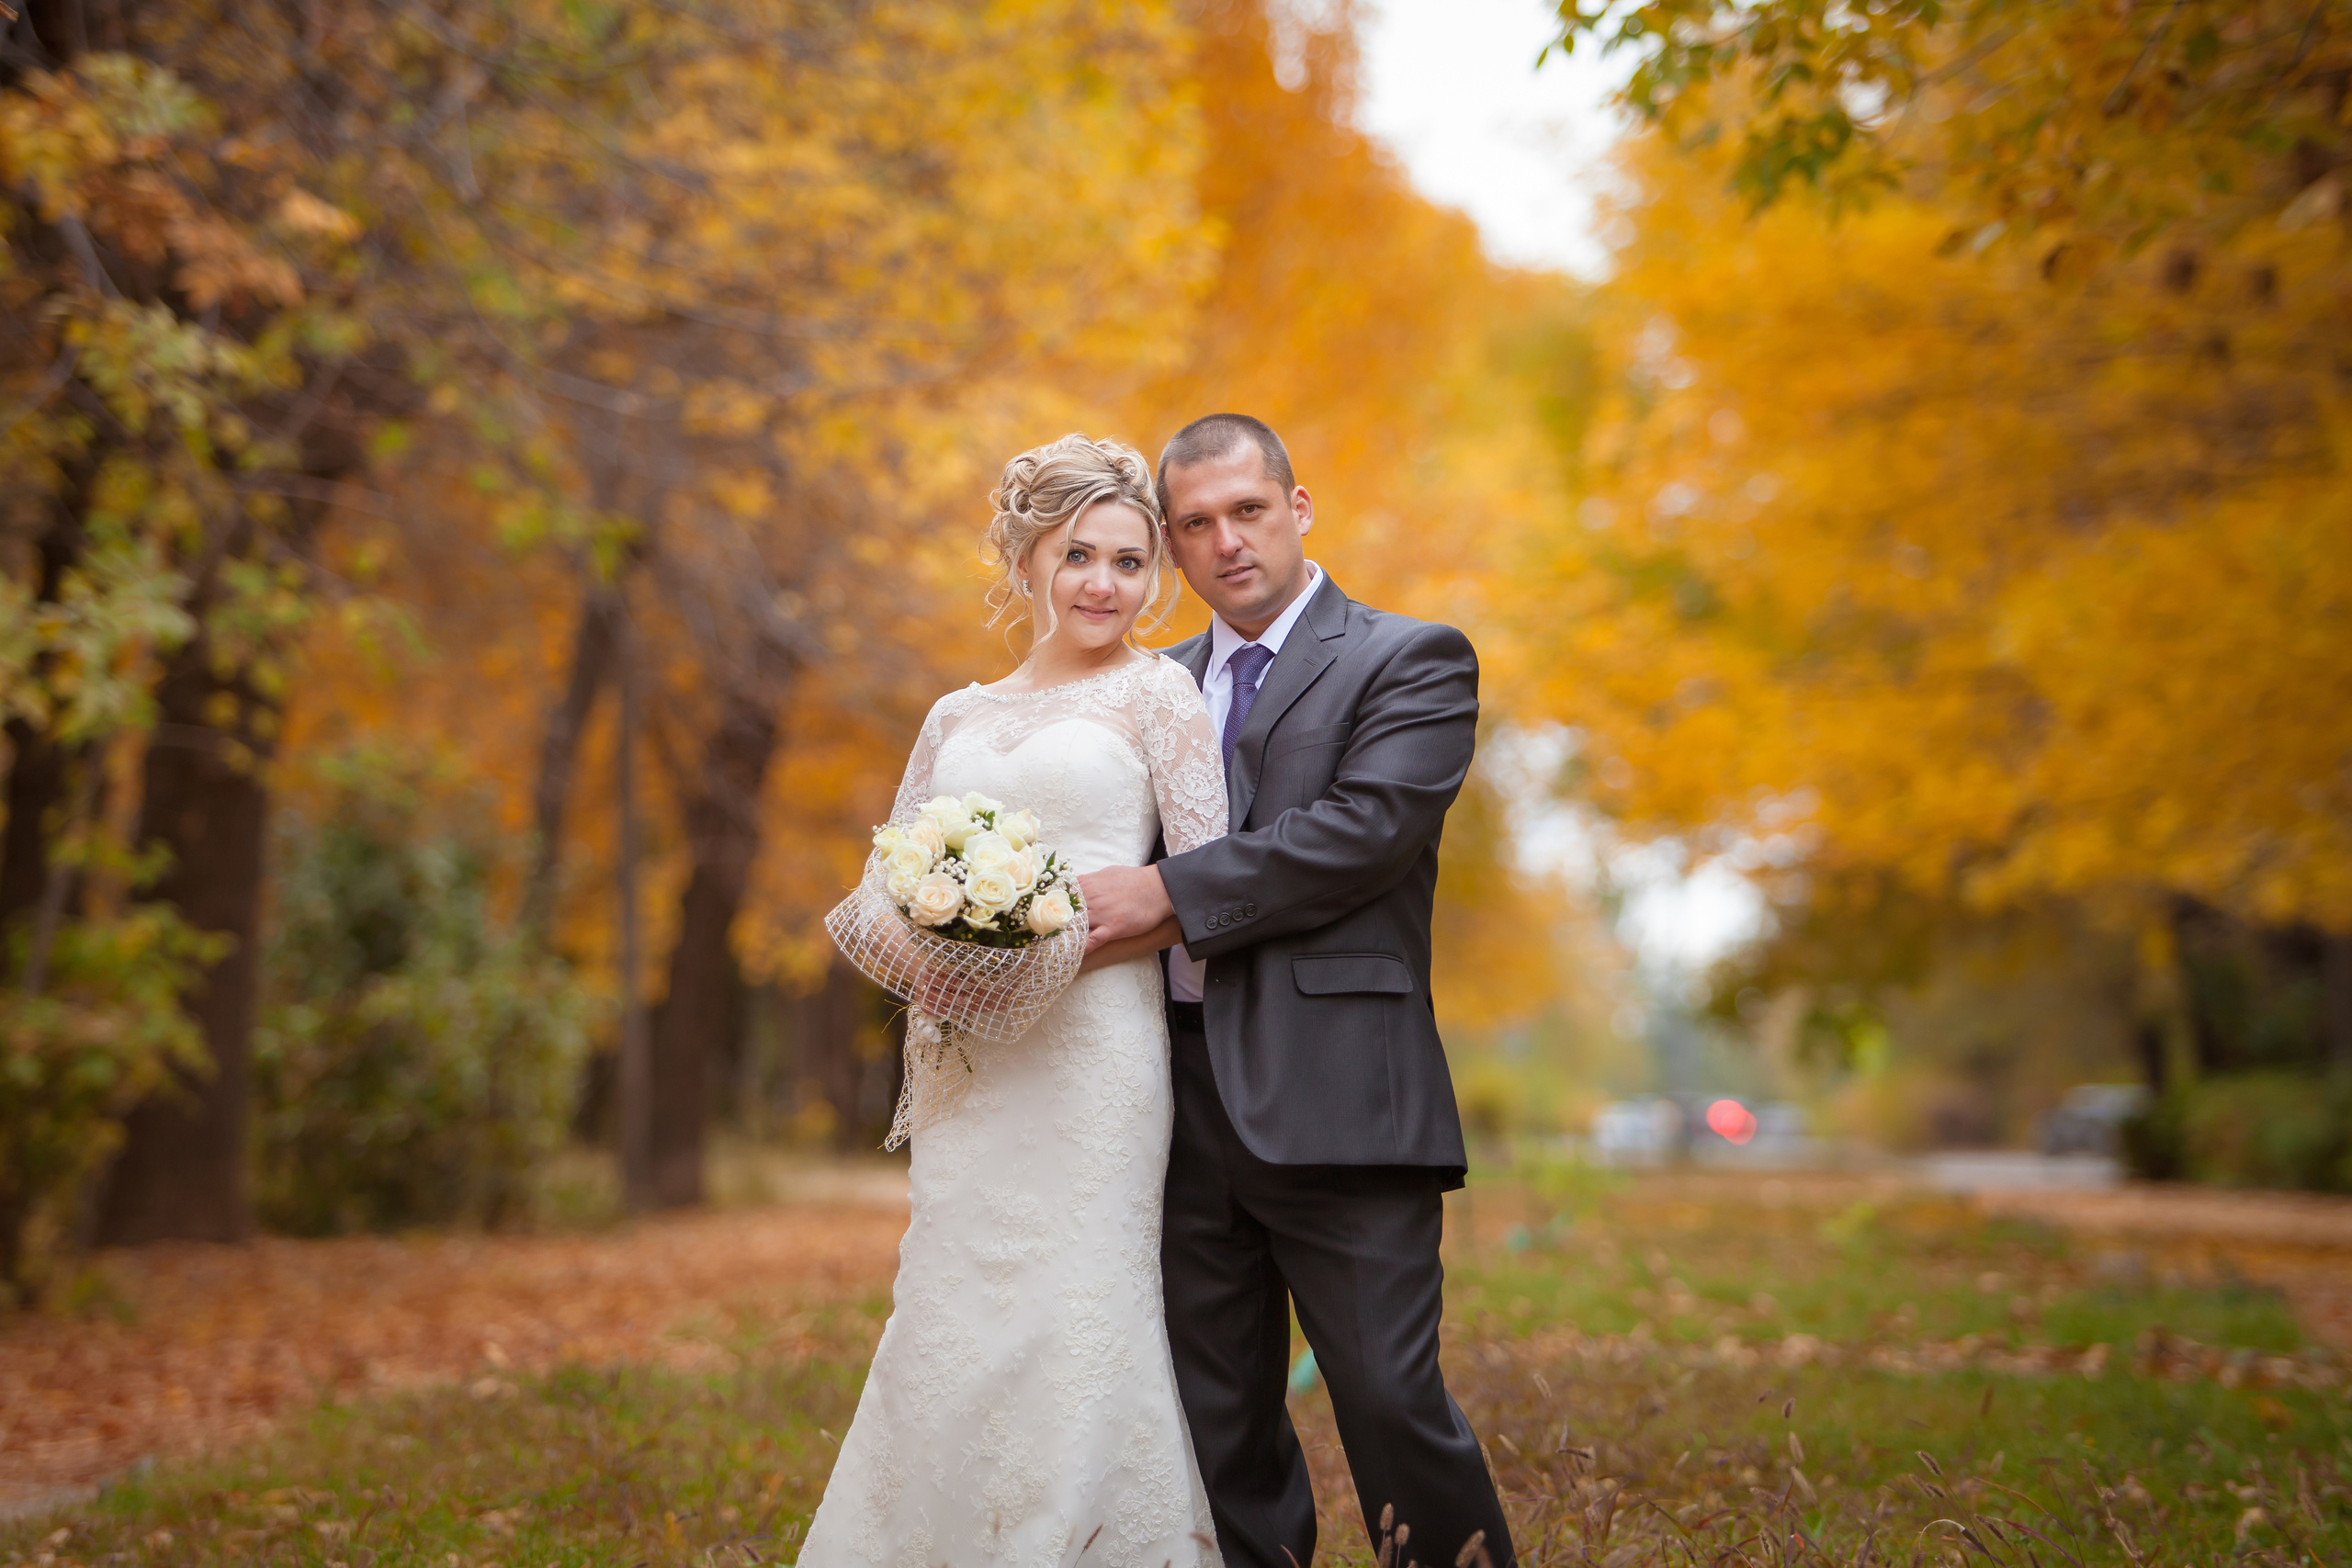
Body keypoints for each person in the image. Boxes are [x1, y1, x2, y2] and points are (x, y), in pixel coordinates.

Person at [1080, 414, 1515, 1568]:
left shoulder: (1409, 657)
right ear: (1173, 545)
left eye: (1248, 512)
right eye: (1195, 526)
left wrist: (1166, 895)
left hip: (1340, 1100)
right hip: (1170, 1098)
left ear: (1298, 506)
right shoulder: (1141, 688)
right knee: (1217, 1422)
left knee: (1387, 1400)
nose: (1227, 543)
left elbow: (1361, 834)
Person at [797, 435, 1227, 1565]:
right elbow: (888, 873)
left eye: (1130, 562)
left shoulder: (1159, 694)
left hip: (1095, 1058)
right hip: (964, 1065)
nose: (1102, 583)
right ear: (1026, 560)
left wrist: (1045, 944)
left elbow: (1207, 885)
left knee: (1074, 1305)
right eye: (1078, 554)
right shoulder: (955, 714)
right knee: (950, 1301)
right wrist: (935, 950)